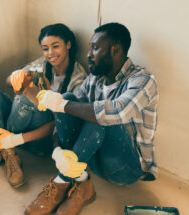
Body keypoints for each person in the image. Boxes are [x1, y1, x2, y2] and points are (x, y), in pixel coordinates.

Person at [25, 22, 158, 215]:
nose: (88, 54)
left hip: (126, 168)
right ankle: (83, 184)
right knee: (70, 99)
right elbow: (68, 111)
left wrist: (60, 104)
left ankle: (61, 181)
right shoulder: (95, 79)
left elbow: (117, 113)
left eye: (94, 48)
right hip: (94, 160)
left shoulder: (143, 80)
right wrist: (56, 151)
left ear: (115, 50)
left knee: (98, 114)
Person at [0, 23, 87, 189]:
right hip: (19, 123)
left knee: (28, 93)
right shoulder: (42, 64)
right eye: (45, 49)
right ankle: (6, 151)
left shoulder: (78, 80)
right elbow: (8, 82)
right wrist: (17, 77)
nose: (50, 53)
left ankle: (3, 146)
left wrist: (15, 139)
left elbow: (57, 126)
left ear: (68, 45)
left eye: (55, 47)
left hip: (40, 141)